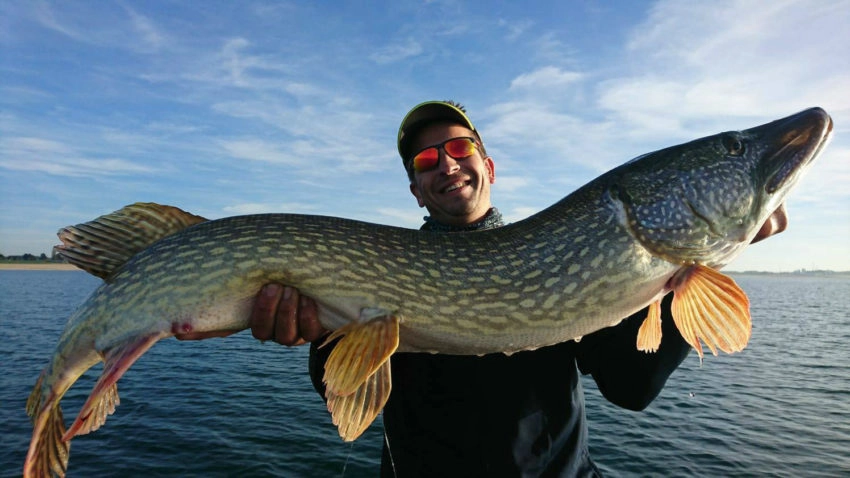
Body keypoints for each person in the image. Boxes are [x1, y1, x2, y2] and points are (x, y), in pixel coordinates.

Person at [182, 100, 788, 477]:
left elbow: (631, 385)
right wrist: (311, 335)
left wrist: (700, 265)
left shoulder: (569, 256)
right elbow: (345, 388)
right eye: (424, 162)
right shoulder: (370, 269)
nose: (445, 164)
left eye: (458, 148)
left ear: (487, 166)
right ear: (416, 192)